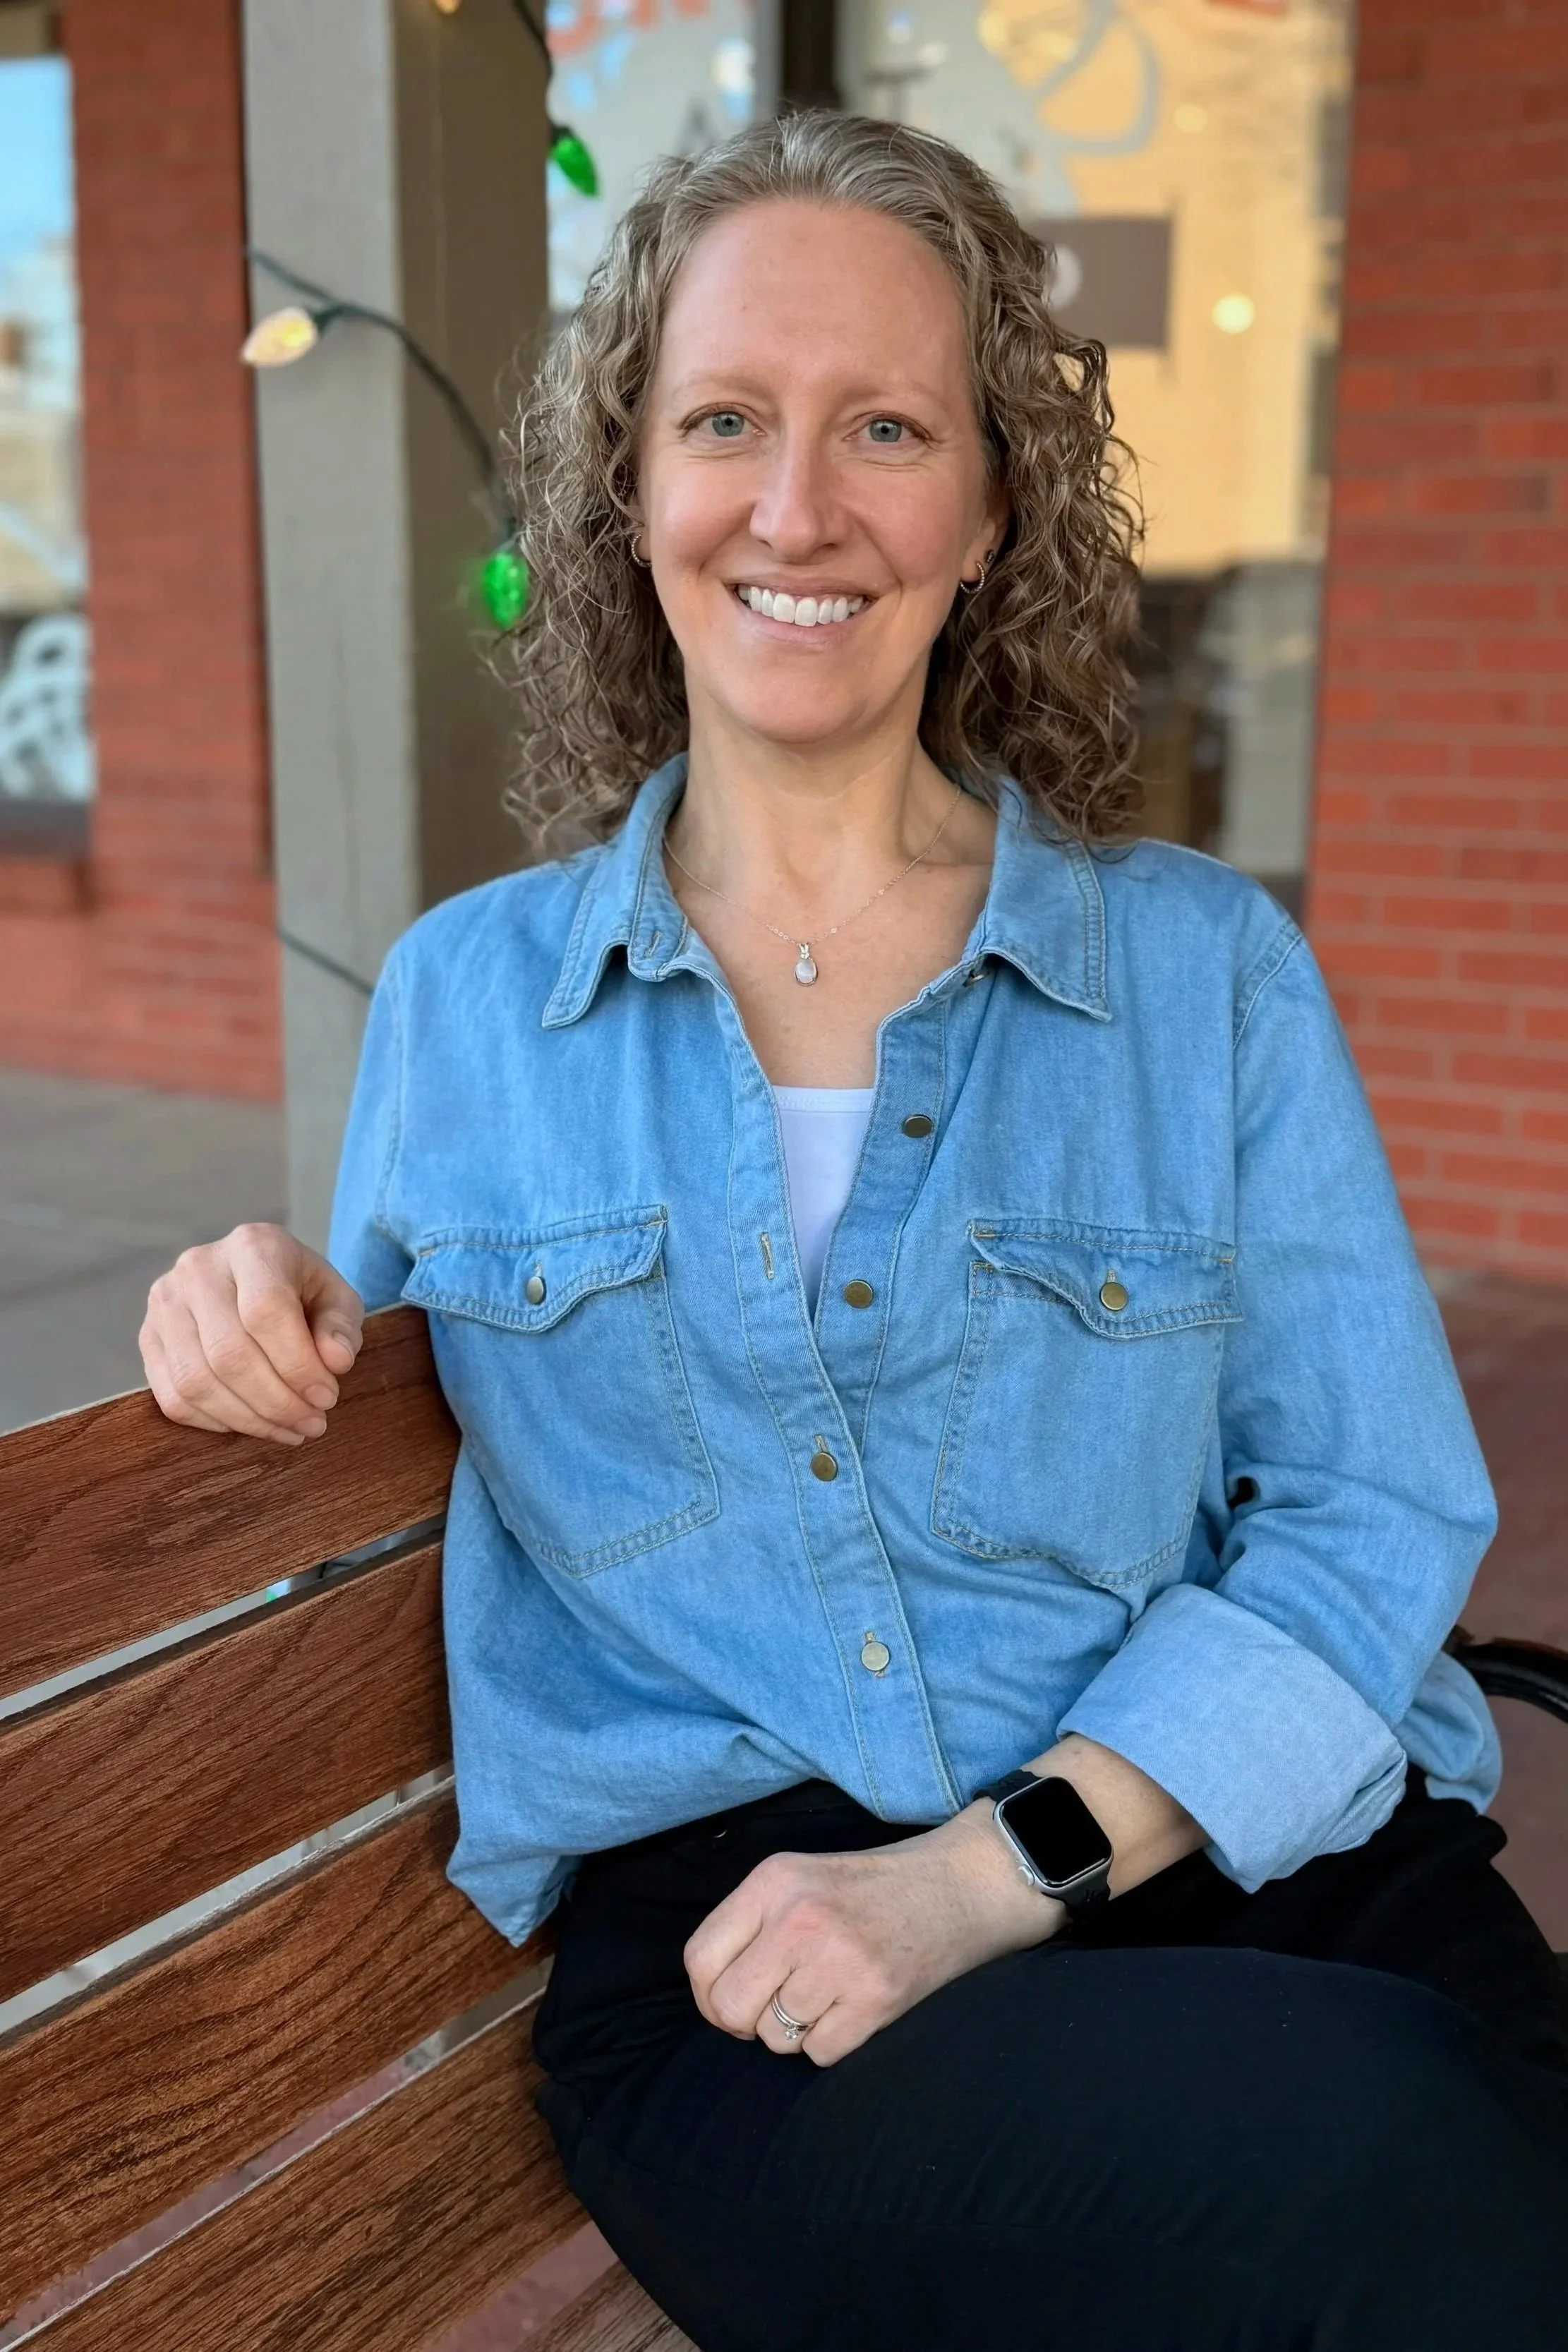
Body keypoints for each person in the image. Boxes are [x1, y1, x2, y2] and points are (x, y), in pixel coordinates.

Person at [140, 111, 1568, 2352]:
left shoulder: (1198, 978)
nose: (794, 508)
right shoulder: (465, 1003)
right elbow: (351, 1470)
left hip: (1214, 1840)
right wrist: (243, 1313)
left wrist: (995, 1870)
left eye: (884, 428)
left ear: (989, 509)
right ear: (629, 486)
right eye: (725, 420)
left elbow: (1369, 1503)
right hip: (760, 1972)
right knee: (1398, 2166)